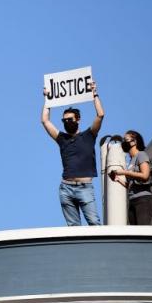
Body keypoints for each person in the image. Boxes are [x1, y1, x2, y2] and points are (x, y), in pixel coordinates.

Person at [41, 81, 104, 226]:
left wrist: (95, 94)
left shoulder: (89, 135)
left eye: (70, 119)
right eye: (64, 120)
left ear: (78, 119)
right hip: (66, 188)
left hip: (85, 188)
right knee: (73, 229)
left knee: (95, 224)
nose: (67, 122)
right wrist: (47, 100)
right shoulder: (61, 138)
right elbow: (45, 121)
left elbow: (100, 115)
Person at [108, 130, 152, 225]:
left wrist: (124, 172)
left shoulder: (141, 155)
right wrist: (118, 179)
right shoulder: (131, 161)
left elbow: (145, 175)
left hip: (143, 200)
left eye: (126, 139)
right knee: (135, 234)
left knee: (143, 233)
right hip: (132, 200)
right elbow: (132, 185)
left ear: (134, 141)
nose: (124, 142)